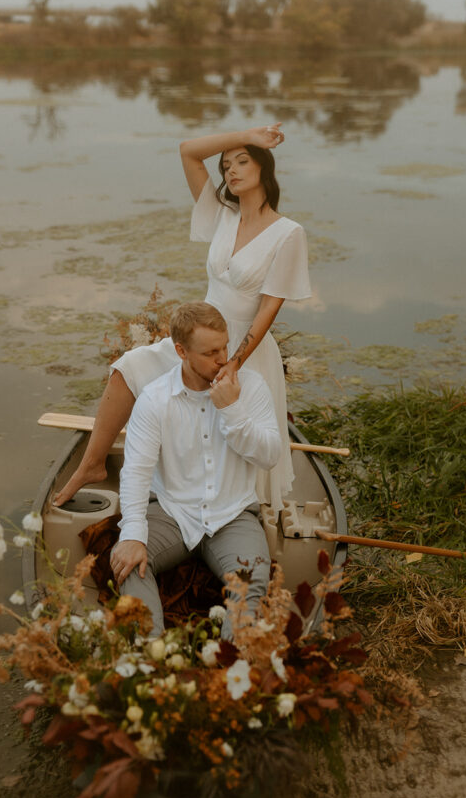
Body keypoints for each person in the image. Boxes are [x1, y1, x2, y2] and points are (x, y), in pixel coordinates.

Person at [53, 123, 311, 515]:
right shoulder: (222, 215)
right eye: (226, 166)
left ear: (264, 168)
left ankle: (237, 521)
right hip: (197, 338)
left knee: (230, 438)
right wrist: (248, 135)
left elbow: (268, 310)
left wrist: (234, 363)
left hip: (245, 347)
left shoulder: (288, 233)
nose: (231, 171)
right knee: (129, 367)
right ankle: (92, 463)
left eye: (243, 161)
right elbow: (189, 150)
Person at [109, 301, 281, 639]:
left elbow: (270, 456)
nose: (224, 359)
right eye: (211, 352)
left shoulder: (253, 387)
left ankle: (230, 668)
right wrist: (131, 534)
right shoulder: (154, 399)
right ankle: (153, 659)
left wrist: (232, 410)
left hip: (234, 514)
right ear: (181, 351)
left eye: (225, 347)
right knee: (127, 563)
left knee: (253, 580)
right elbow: (136, 472)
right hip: (172, 512)